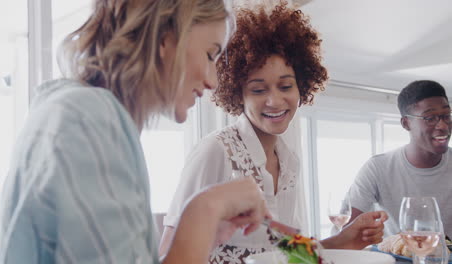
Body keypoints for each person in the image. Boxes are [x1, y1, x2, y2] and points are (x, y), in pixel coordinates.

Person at [0, 1, 271, 264]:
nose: (212, 80)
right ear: (165, 35)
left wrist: (206, 233)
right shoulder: (87, 121)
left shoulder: (80, 114)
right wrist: (207, 207)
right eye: (210, 55)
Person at [159, 3, 388, 264]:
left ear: (301, 86)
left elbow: (283, 254)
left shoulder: (289, 161)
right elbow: (166, 253)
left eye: (285, 86)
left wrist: (345, 240)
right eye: (258, 90)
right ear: (238, 94)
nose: (275, 101)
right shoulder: (216, 151)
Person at [347, 80, 452, 238]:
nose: (443, 126)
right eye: (430, 118)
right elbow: (348, 229)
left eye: (446, 116)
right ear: (406, 123)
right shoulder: (378, 168)